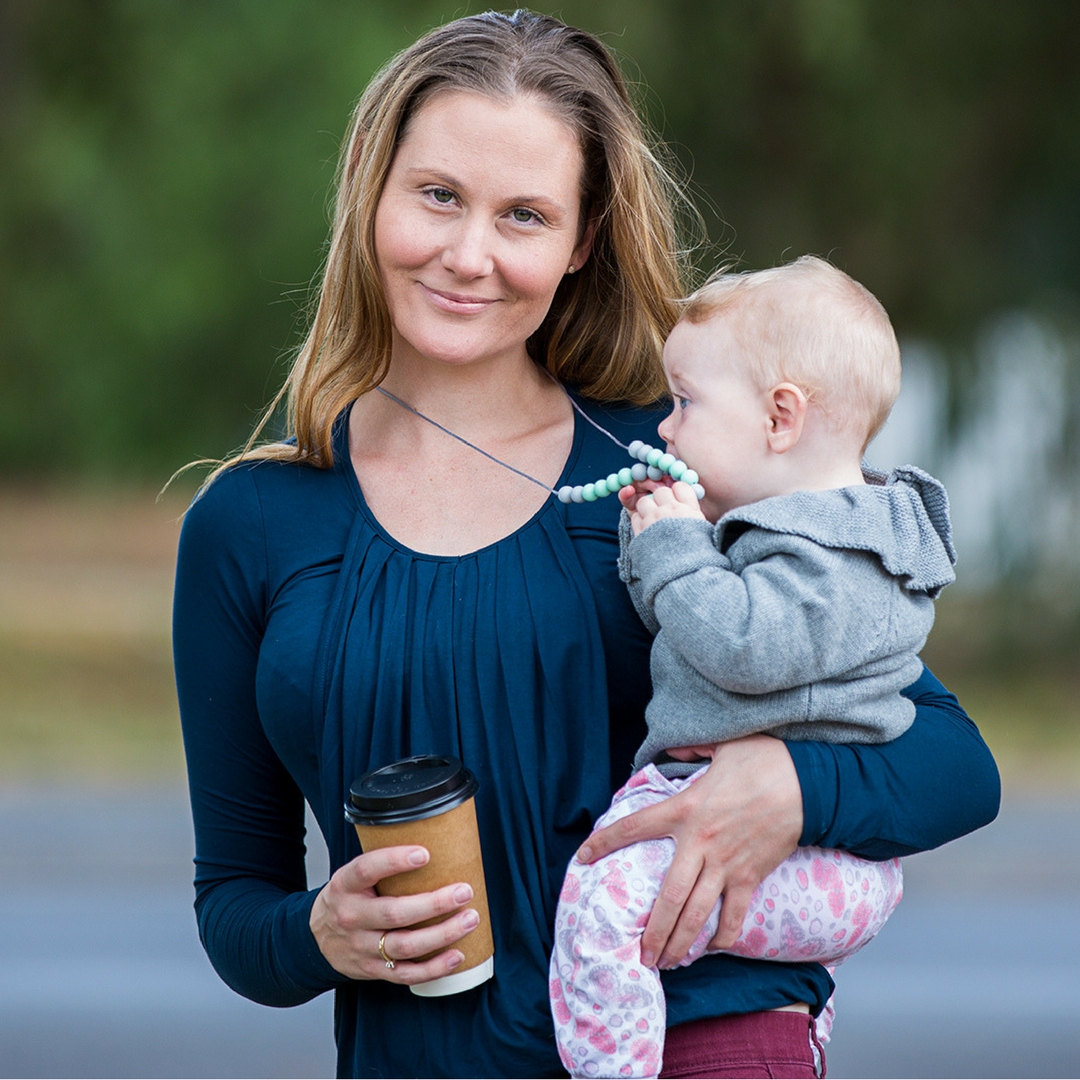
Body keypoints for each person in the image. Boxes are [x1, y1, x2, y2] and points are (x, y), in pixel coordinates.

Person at [171, 11, 1000, 1079]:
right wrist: (317, 936)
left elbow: (954, 764)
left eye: (524, 215)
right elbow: (235, 905)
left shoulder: (680, 464)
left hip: (705, 1043)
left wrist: (793, 787)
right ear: (370, 192)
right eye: (438, 196)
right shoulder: (249, 526)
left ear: (581, 242)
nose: (469, 254)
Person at [550, 256, 952, 1078]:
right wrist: (652, 536)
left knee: (602, 913)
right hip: (797, 851)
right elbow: (678, 616)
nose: (666, 426)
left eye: (686, 403)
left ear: (779, 418)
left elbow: (742, 649)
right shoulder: (779, 531)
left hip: (821, 859)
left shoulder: (840, 557)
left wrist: (674, 546)